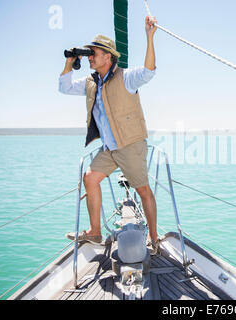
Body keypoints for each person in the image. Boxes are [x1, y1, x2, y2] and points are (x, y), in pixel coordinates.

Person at [59, 16, 160, 254]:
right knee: (90, 177)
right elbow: (64, 87)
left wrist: (149, 36)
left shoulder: (126, 78)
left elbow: (149, 71)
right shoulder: (91, 83)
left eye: (93, 53)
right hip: (109, 149)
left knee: (143, 190)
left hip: (130, 146)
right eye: (89, 53)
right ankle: (95, 232)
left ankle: (154, 239)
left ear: (108, 56)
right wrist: (69, 63)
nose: (90, 57)